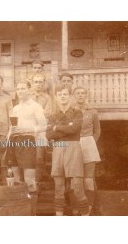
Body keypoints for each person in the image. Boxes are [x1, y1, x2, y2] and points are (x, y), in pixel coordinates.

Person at [46, 84, 90, 216]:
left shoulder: (77, 113)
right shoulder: (53, 115)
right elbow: (48, 135)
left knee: (77, 187)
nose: (63, 97)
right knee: (59, 187)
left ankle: (85, 216)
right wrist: (64, 128)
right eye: (60, 95)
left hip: (73, 147)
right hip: (58, 148)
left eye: (65, 94)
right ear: (56, 98)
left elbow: (74, 130)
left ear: (70, 96)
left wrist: (56, 128)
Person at [5, 80, 47, 215]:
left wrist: (28, 129)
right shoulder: (15, 108)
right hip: (14, 141)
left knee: (29, 180)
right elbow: (12, 127)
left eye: (23, 88)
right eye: (18, 89)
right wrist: (8, 143)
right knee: (16, 179)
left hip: (28, 140)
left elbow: (43, 126)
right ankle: (20, 211)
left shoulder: (36, 106)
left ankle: (32, 212)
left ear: (29, 90)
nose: (20, 91)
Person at [73, 86, 101, 215]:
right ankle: (76, 208)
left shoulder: (92, 111)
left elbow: (97, 131)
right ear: (74, 96)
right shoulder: (71, 111)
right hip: (74, 144)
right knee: (75, 179)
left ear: (86, 95)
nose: (80, 95)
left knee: (88, 178)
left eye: (83, 93)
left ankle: (88, 209)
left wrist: (90, 142)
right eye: (77, 93)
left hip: (88, 143)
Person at [31, 73, 53, 181]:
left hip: (41, 131)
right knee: (28, 157)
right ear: (32, 83)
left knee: (39, 157)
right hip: (28, 130)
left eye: (41, 82)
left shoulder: (47, 97)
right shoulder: (27, 96)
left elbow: (48, 113)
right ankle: (28, 183)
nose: (38, 84)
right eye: (36, 82)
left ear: (44, 84)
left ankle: (37, 183)